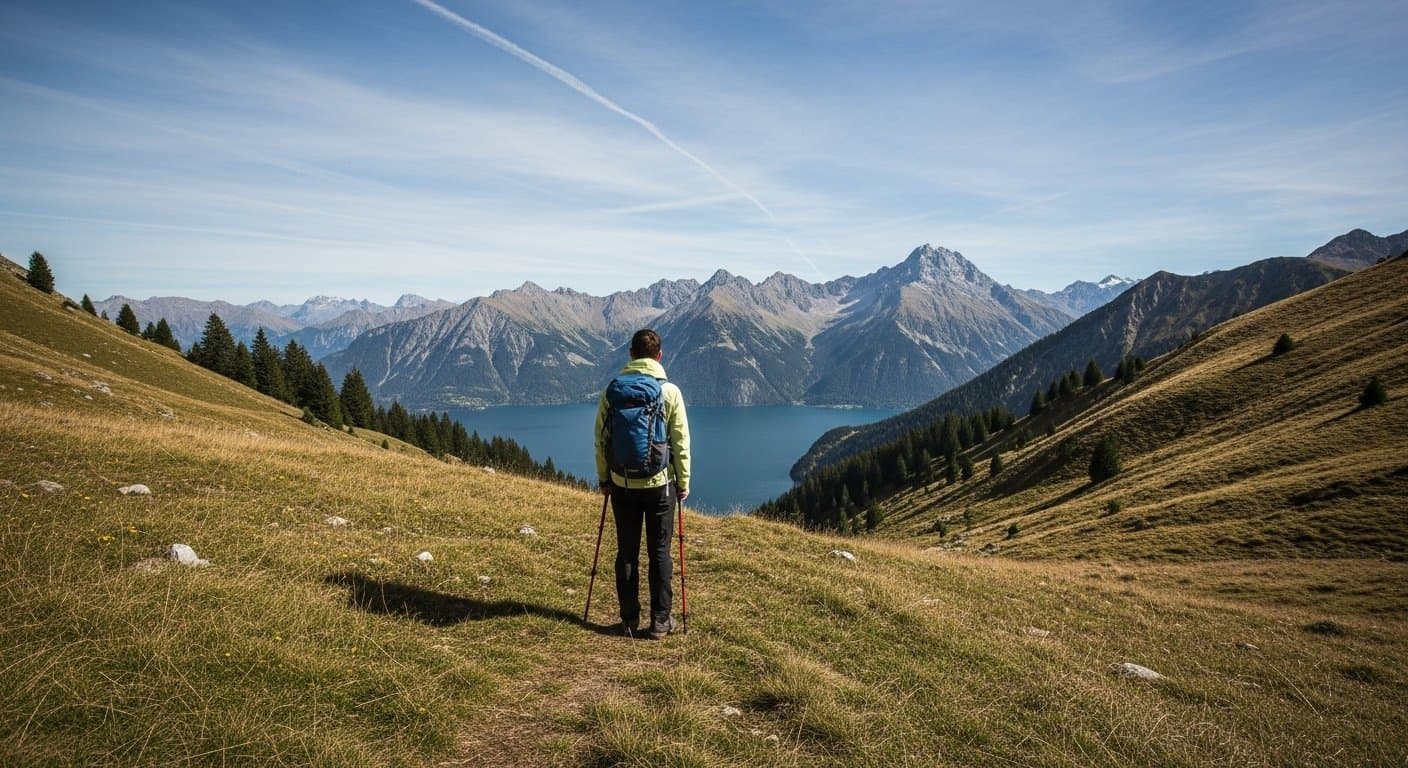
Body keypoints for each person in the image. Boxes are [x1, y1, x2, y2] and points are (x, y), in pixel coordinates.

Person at [594, 328, 690, 639]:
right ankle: (661, 621)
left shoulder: (612, 391)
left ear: (631, 355)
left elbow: (600, 439)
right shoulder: (670, 392)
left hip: (622, 485)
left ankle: (628, 620)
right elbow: (681, 441)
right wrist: (683, 482)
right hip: (660, 485)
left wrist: (605, 478)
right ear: (659, 356)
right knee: (660, 552)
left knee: (626, 553)